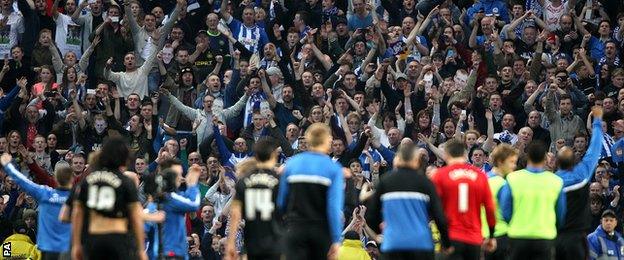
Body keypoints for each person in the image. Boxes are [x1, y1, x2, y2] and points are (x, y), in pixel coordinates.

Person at [366, 143, 451, 260]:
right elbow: (439, 216)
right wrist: (446, 243)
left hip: (393, 244)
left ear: (397, 159)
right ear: (416, 160)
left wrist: (381, 235)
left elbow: (371, 216)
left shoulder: (386, 181)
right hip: (421, 244)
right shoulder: (425, 183)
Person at [71, 137, 147, 260]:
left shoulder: (88, 181)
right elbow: (136, 216)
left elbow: (77, 213)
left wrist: (76, 244)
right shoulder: (126, 182)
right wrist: (140, 249)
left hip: (93, 239)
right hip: (118, 239)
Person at [277, 123, 344, 260]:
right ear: (327, 141)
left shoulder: (291, 164)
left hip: (295, 229)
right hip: (320, 233)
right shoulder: (333, 168)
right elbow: (333, 208)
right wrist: (336, 239)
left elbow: (281, 202)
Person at [499, 140, 566, 260]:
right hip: (545, 236)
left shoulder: (513, 178)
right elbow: (560, 213)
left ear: (528, 156)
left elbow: (505, 209)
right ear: (545, 158)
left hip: (518, 235)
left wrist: (514, 222)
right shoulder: (556, 181)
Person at [432, 139, 497, 259]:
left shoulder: (440, 175)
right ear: (465, 154)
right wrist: (492, 236)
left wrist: (444, 239)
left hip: (451, 236)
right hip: (474, 238)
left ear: (446, 154)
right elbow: (490, 208)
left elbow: (435, 209)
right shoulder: (480, 176)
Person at [0, 153, 73, 259]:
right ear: (71, 179)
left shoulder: (45, 193)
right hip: (66, 245)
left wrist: (8, 166)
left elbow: (22, 181)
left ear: (55, 177)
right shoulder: (76, 198)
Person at [555, 106, 605, 260]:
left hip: (554, 237)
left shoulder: (550, 180)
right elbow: (595, 146)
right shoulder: (582, 173)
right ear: (574, 161)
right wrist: (597, 121)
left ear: (557, 162)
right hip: (576, 238)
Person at [225, 138, 283, 260]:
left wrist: (230, 243)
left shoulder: (243, 181)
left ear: (255, 155)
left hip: (252, 241)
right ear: (273, 155)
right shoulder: (279, 180)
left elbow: (235, 213)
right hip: (275, 241)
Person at [482, 144, 519, 260]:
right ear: (501, 161)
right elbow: (507, 213)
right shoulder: (503, 184)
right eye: (511, 162)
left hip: (482, 236)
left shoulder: (482, 179)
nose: (514, 166)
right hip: (501, 236)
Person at [161, 159, 201, 259]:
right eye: (176, 174)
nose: (180, 178)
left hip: (175, 252)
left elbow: (185, 198)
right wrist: (192, 185)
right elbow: (194, 204)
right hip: (171, 252)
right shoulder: (168, 197)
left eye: (181, 174)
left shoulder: (170, 196)